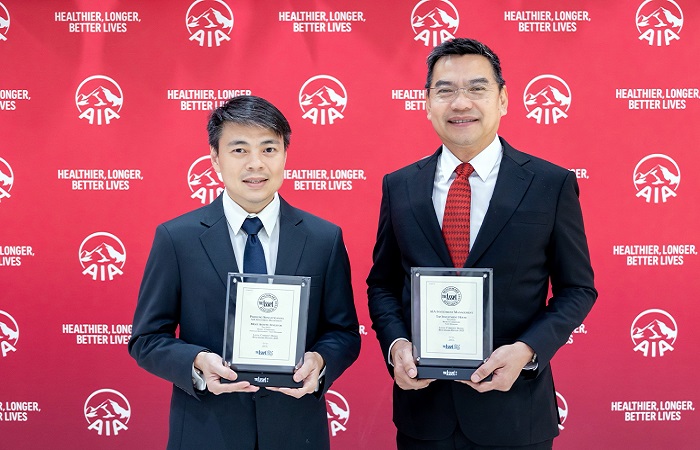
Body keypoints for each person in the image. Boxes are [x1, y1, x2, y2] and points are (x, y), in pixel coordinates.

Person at [367, 38, 597, 449]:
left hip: (516, 412)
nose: (461, 103)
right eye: (445, 90)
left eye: (477, 88)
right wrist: (396, 344)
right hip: (424, 414)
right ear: (427, 103)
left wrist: (527, 350)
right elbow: (382, 284)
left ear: (503, 99)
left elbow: (577, 289)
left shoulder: (550, 184)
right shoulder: (400, 186)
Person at [129, 95, 361, 450]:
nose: (256, 163)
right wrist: (195, 363)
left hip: (296, 432)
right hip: (206, 432)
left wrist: (321, 360)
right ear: (215, 158)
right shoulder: (177, 239)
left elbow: (343, 332)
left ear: (285, 155)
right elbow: (146, 339)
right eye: (239, 150)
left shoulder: (323, 239)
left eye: (269, 149)